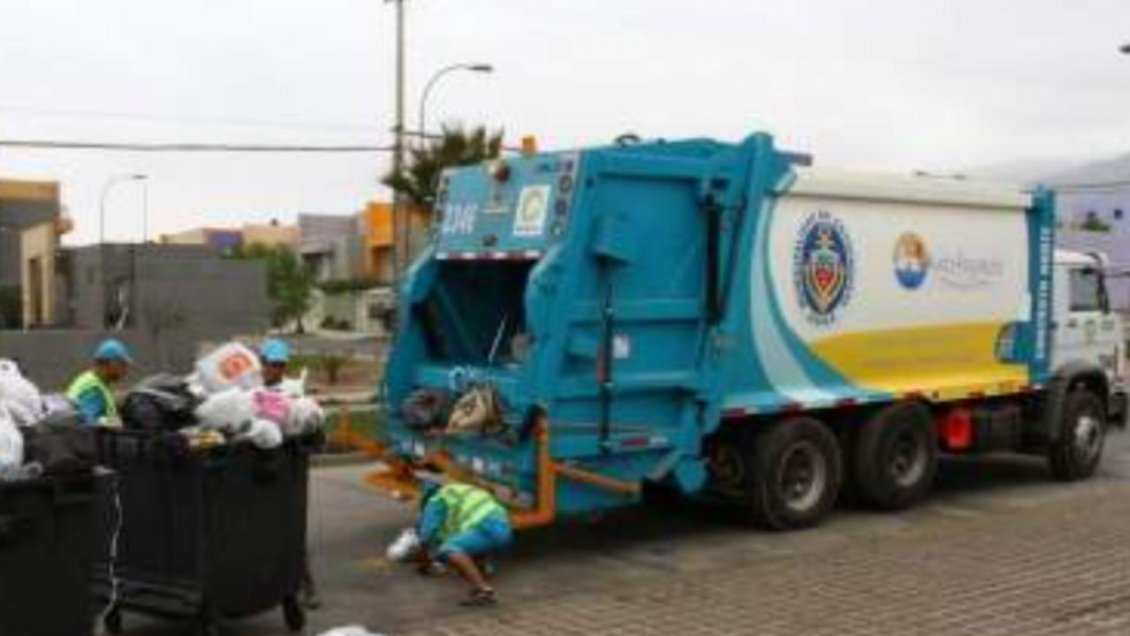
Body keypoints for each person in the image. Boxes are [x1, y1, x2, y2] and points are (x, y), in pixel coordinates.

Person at [258, 338, 322, 610]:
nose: (277, 369)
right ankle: (262, 586)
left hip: (287, 471)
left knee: (291, 532)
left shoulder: (292, 393)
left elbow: (310, 429)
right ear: (262, 364)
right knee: (257, 532)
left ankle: (307, 588)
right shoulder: (250, 390)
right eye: (273, 364)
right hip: (258, 471)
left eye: (281, 365)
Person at [416, 481, 513, 606]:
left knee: (449, 549)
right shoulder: (462, 488)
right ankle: (482, 567)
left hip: (485, 527)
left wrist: (425, 562)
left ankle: (483, 590)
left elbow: (426, 536)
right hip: (504, 526)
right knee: (468, 540)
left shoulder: (436, 499)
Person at [66, 338, 132, 427]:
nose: (125, 370)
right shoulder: (94, 389)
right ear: (111, 364)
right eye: (122, 365)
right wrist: (115, 422)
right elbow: (87, 422)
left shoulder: (89, 378)